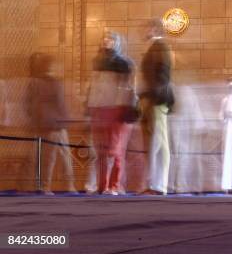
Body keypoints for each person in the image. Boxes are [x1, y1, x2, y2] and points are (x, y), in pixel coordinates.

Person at [86, 32, 136, 195]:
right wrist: (89, 105)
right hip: (98, 108)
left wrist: (126, 107)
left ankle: (114, 186)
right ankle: (102, 186)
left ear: (117, 42)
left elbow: (128, 87)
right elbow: (93, 85)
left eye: (111, 39)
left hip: (116, 109)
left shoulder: (123, 63)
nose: (107, 41)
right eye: (105, 38)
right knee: (101, 150)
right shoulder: (97, 61)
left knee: (115, 150)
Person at [26, 53, 76, 195]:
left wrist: (36, 120)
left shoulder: (34, 82)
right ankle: (69, 186)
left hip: (45, 124)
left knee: (48, 157)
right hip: (57, 124)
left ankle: (45, 186)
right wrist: (66, 119)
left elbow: (29, 105)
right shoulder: (54, 82)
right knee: (63, 156)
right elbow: (61, 104)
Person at [140, 19, 174, 195]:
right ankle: (159, 184)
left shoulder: (159, 46)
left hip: (158, 98)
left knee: (158, 142)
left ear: (154, 29)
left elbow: (162, 74)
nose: (144, 30)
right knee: (161, 141)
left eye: (147, 27)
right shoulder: (157, 46)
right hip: (157, 97)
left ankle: (156, 185)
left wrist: (151, 95)